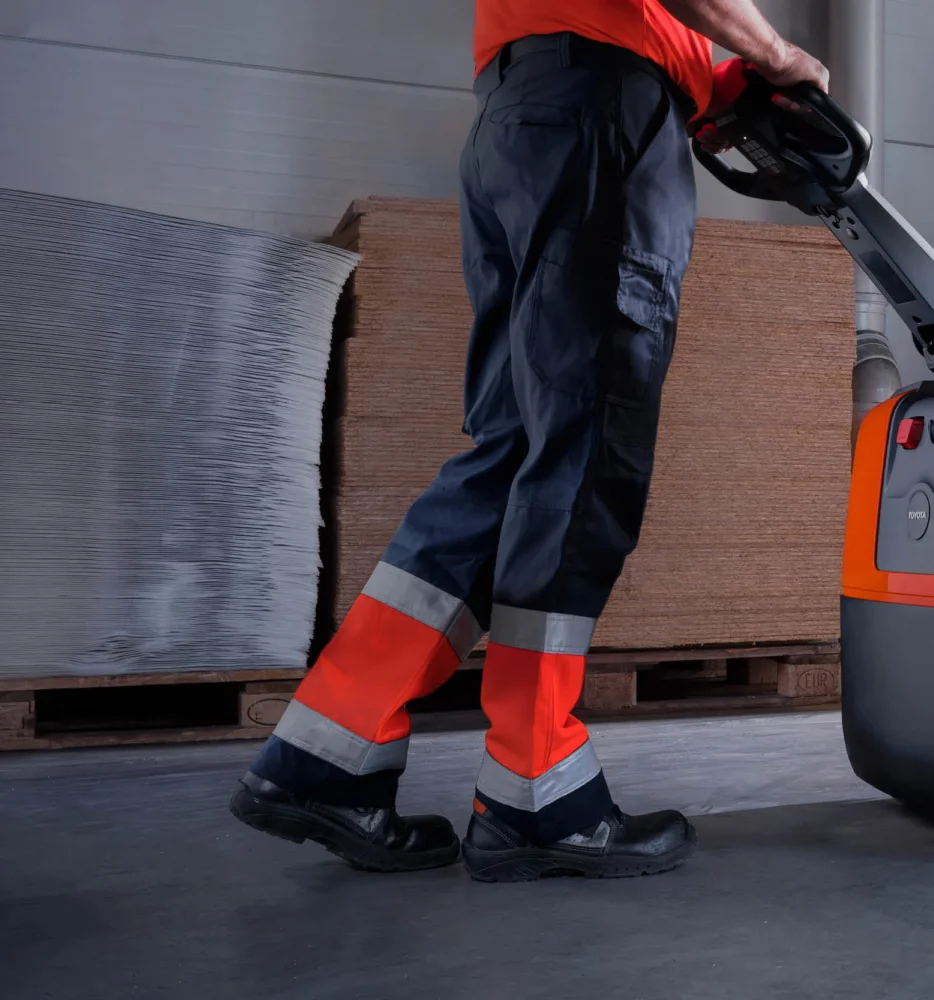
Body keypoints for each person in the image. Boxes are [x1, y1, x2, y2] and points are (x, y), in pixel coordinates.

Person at [228, 0, 828, 882]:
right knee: (583, 452)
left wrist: (725, 85)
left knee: (511, 452)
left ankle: (327, 754)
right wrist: (775, 52)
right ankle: (535, 789)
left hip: (523, 116)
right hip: (600, 117)